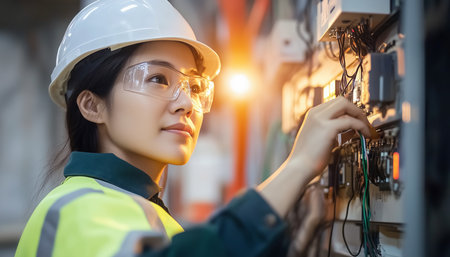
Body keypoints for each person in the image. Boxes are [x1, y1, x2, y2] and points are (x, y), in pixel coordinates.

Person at [15, 0, 375, 256]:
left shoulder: (141, 208)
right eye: (158, 79)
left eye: (194, 86)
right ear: (92, 105)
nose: (186, 103)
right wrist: (296, 167)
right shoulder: (77, 208)